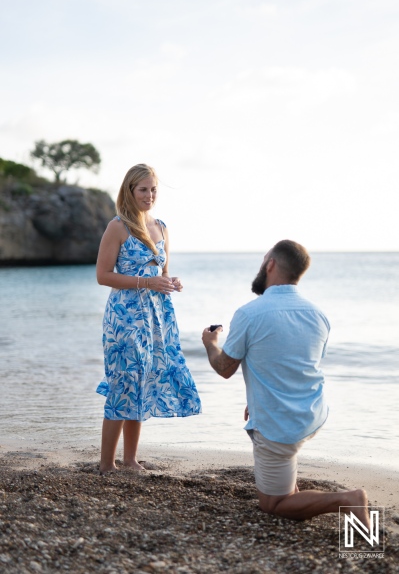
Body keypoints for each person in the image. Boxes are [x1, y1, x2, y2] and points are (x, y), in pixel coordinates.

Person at [202, 240, 369, 526]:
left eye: (263, 260)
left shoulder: (250, 313)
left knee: (273, 504)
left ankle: (349, 499)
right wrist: (255, 399)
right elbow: (293, 365)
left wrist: (210, 343)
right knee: (284, 470)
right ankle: (294, 492)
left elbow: (224, 368)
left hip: (280, 424)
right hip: (312, 412)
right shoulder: (318, 314)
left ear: (270, 264)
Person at [96, 163, 201, 474]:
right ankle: (106, 464)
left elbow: (162, 273)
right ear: (130, 191)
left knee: (144, 382)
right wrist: (147, 283)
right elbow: (103, 276)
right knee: (123, 383)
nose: (149, 194)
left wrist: (171, 282)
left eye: (153, 189)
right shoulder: (118, 226)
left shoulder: (162, 227)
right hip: (124, 318)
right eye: (143, 189)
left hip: (157, 317)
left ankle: (130, 460)